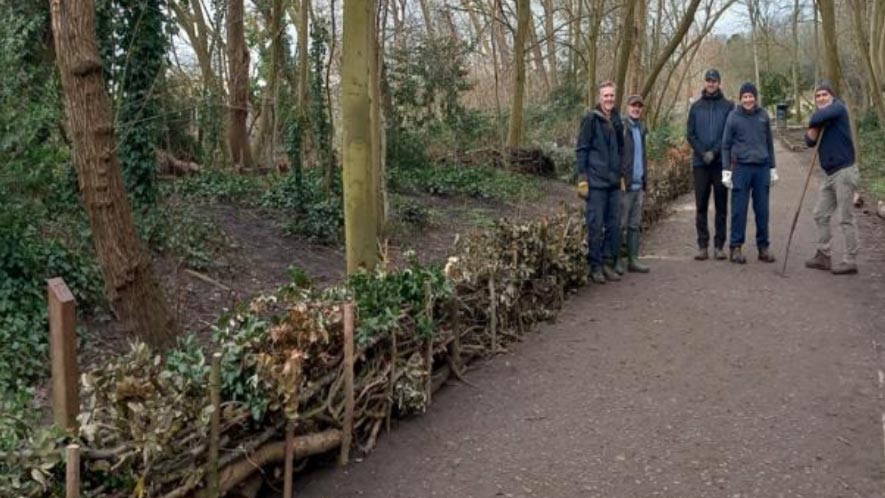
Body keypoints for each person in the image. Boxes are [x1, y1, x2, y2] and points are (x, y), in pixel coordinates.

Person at [803, 81, 860, 275]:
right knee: (820, 214)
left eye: (824, 95)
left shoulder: (838, 108)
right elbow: (809, 141)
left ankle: (850, 260)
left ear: (832, 96)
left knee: (845, 218)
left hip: (844, 171)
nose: (821, 98)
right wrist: (815, 125)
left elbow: (819, 116)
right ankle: (823, 255)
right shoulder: (823, 117)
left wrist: (815, 120)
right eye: (818, 96)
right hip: (828, 174)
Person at [720, 82, 778, 264]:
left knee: (762, 210)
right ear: (741, 98)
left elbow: (769, 143)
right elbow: (726, 145)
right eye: (745, 96)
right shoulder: (733, 117)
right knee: (739, 210)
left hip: (761, 168)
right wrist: (726, 170)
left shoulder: (763, 116)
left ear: (755, 97)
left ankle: (763, 248)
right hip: (741, 168)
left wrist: (772, 168)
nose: (748, 99)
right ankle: (735, 247)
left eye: (751, 96)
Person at [576, 81, 625, 284]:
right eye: (606, 96)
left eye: (612, 96)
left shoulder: (617, 120)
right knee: (595, 226)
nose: (609, 99)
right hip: (595, 182)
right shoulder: (590, 119)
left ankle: (606, 262)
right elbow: (582, 149)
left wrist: (621, 175)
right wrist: (582, 178)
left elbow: (621, 150)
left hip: (613, 183)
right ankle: (595, 266)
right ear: (599, 97)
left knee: (613, 225)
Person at [687, 69, 733, 261]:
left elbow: (729, 133)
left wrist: (714, 151)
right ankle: (702, 245)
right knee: (701, 206)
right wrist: (701, 152)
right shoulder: (696, 107)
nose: (711, 84)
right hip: (700, 163)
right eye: (708, 80)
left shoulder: (728, 106)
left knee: (721, 206)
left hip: (720, 162)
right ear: (705, 83)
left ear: (719, 82)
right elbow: (690, 134)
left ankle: (719, 245)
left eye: (714, 80)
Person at [614, 94, 650, 274]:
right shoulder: (621, 128)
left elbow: (643, 156)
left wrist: (645, 180)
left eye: (639, 106)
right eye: (633, 106)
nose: (636, 109)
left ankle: (633, 259)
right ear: (627, 107)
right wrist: (620, 177)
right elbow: (616, 155)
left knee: (634, 224)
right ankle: (617, 260)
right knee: (620, 224)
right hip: (625, 185)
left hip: (639, 184)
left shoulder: (641, 128)